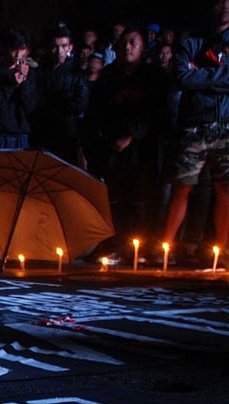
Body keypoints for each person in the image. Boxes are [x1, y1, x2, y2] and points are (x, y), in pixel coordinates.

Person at [85, 24, 168, 264]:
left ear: (143, 47)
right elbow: (97, 110)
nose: (128, 48)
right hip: (111, 148)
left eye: (133, 43)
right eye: (124, 44)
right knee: (115, 199)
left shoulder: (153, 77)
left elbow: (157, 113)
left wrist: (132, 135)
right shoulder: (109, 76)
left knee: (141, 200)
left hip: (143, 150)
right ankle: (116, 244)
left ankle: (139, 247)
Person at [158, 0, 229, 264]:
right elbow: (180, 77)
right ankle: (165, 249)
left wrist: (201, 75)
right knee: (181, 187)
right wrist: (219, 76)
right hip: (193, 127)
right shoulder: (192, 42)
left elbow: (193, 78)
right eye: (219, 1)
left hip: (226, 125)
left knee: (225, 190)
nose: (225, 6)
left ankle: (220, 251)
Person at [30, 23, 87, 165]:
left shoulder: (76, 72)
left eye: (63, 46)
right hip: (43, 134)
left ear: (70, 47)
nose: (59, 51)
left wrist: (52, 103)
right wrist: (62, 100)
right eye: (55, 46)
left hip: (67, 135)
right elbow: (34, 101)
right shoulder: (40, 72)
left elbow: (81, 102)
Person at [0, 27, 37, 150]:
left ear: (27, 50)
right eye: (14, 49)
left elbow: (30, 106)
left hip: (21, 136)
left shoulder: (31, 73)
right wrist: (11, 85)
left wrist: (24, 81)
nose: (17, 54)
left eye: (22, 49)